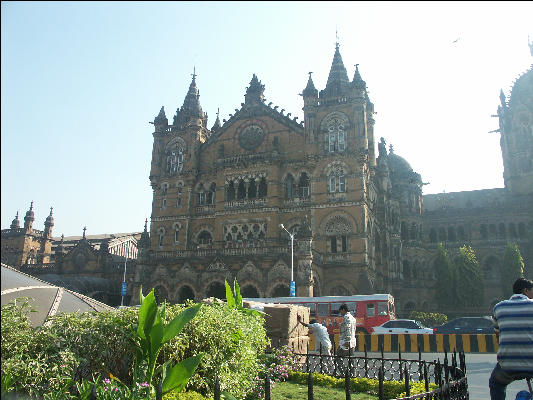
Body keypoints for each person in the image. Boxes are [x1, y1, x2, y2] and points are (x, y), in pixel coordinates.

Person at [489, 278, 533, 400]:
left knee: (496, 383)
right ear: (525, 290)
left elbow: (498, 336)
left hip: (508, 365)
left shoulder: (499, 307)